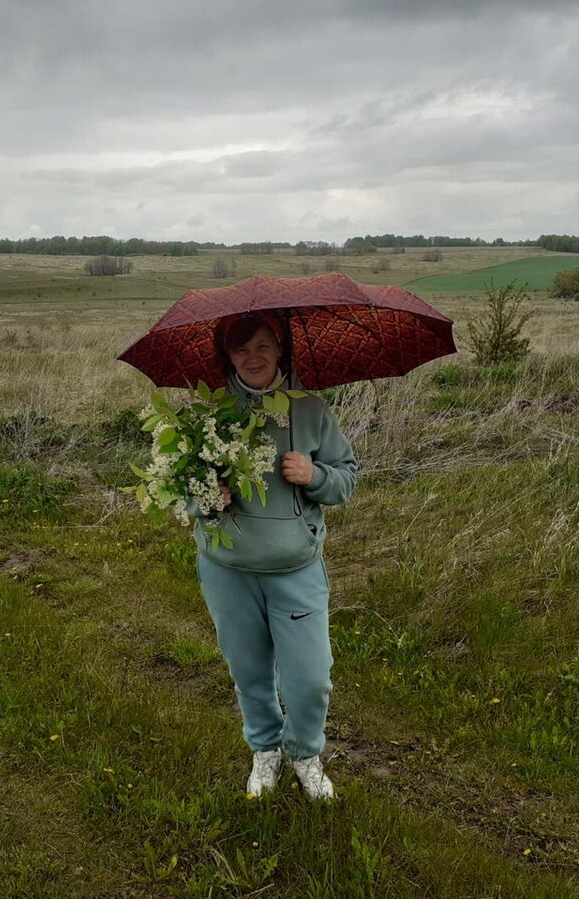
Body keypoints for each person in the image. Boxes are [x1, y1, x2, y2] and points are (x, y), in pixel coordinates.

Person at [188, 311, 357, 800]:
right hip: (227, 570)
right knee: (249, 672)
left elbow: (345, 478)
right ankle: (266, 751)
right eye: (241, 350)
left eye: (263, 345)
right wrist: (205, 497)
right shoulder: (210, 412)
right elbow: (178, 490)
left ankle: (303, 753)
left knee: (310, 679)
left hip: (295, 567)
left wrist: (315, 475)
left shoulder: (310, 409)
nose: (253, 358)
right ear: (228, 356)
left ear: (280, 347)